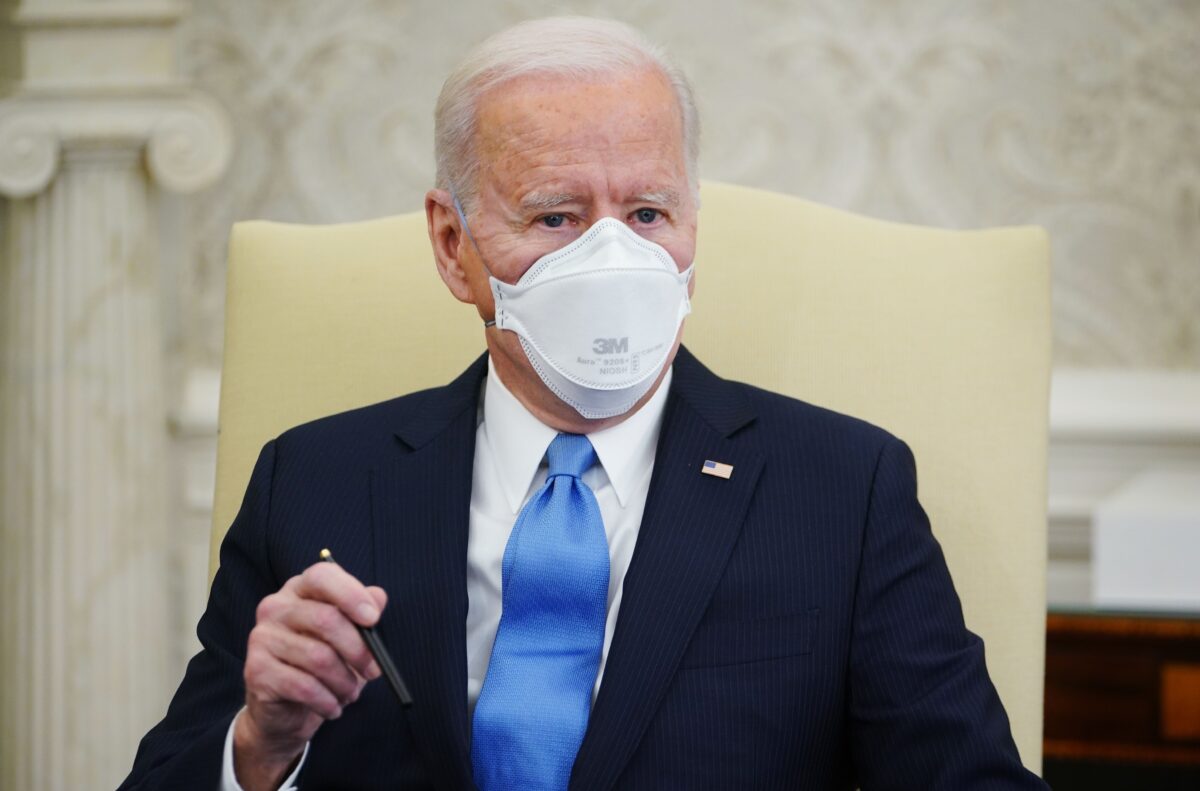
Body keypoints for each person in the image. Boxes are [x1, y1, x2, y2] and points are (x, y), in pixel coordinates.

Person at [120, 16, 1048, 791]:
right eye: (556, 216)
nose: (613, 260)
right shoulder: (313, 481)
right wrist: (259, 747)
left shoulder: (843, 491)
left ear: (692, 225)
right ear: (453, 246)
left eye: (647, 214)